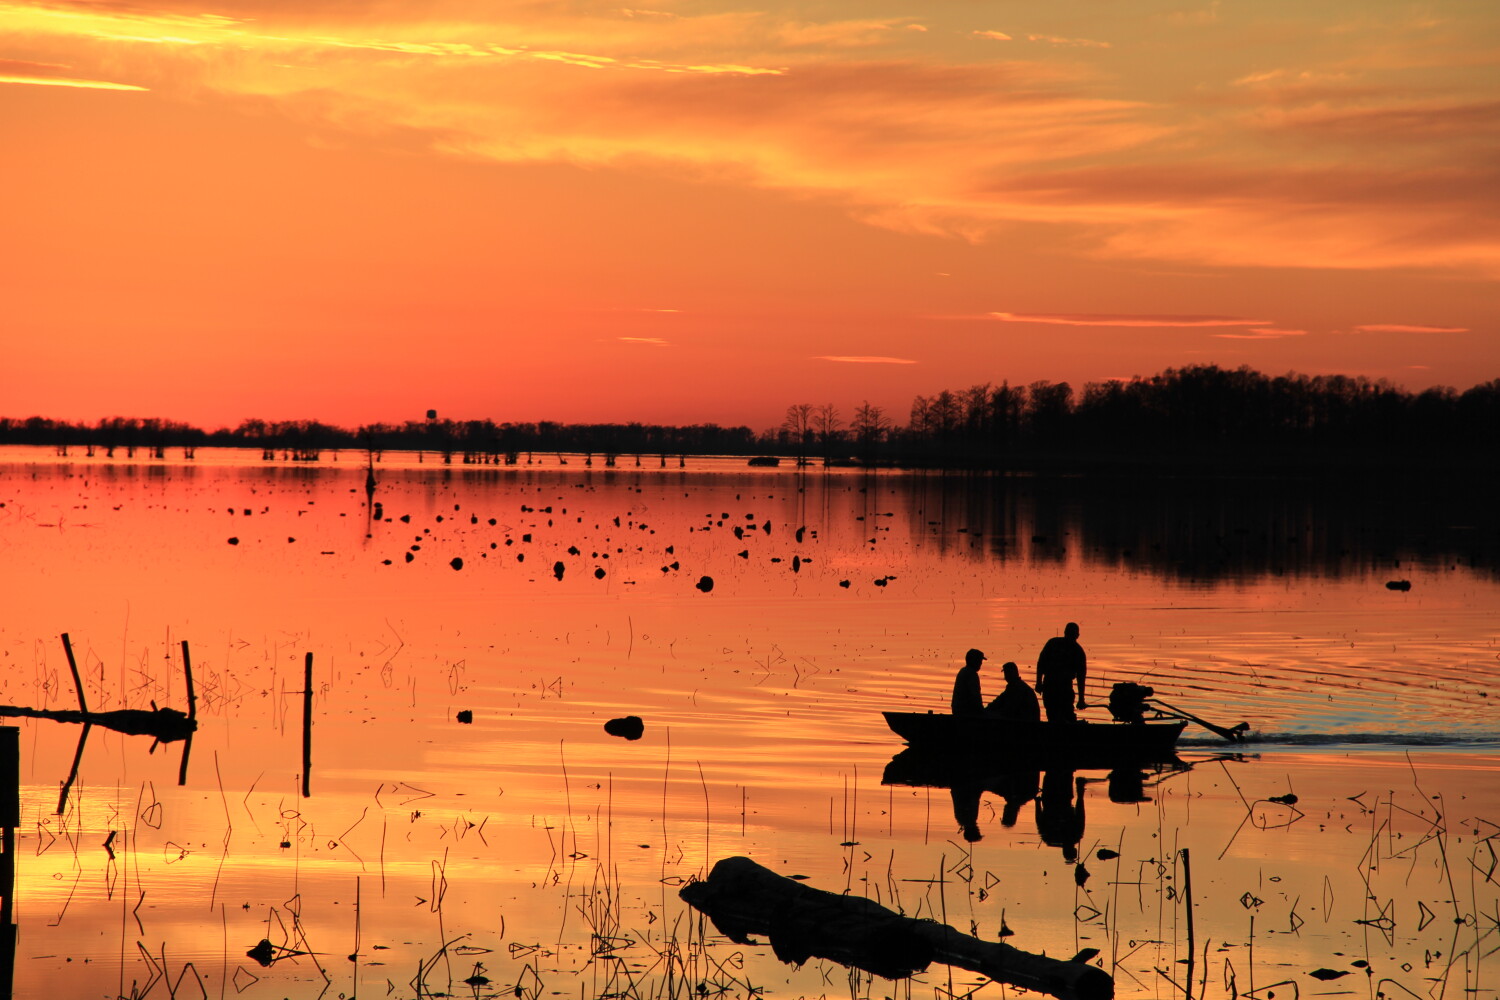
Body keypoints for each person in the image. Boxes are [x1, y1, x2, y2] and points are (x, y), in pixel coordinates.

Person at [1035, 622, 1087, 723]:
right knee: (1056, 715)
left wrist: (1081, 699)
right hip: (1052, 687)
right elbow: (1041, 664)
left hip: (1062, 688)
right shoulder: (1054, 644)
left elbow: (1081, 678)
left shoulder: (1077, 651)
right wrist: (1038, 683)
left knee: (1062, 716)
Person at [951, 648, 985, 716]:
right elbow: (975, 697)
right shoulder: (971, 674)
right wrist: (982, 712)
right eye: (979, 660)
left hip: (957, 710)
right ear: (974, 661)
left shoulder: (963, 671)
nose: (981, 663)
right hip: (966, 712)